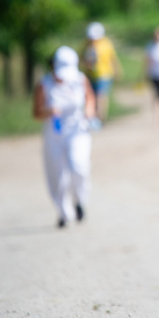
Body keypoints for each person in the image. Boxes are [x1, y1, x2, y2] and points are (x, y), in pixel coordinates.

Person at [33, 46, 98, 228]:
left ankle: (79, 200)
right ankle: (63, 212)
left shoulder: (80, 80)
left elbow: (90, 99)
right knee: (59, 177)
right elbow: (36, 113)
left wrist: (89, 111)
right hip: (55, 135)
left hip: (78, 132)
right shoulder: (44, 84)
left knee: (80, 166)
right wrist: (48, 110)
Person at [81, 21, 123, 122]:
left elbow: (112, 58)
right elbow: (81, 58)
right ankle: (94, 117)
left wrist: (117, 70)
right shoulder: (86, 45)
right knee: (92, 97)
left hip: (105, 74)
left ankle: (100, 117)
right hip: (91, 75)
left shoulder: (106, 43)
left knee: (101, 96)